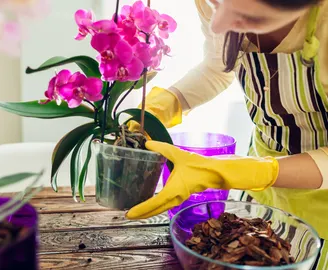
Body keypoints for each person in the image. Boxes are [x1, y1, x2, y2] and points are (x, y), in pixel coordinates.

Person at [126, 0, 328, 268]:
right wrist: (161, 107)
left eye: (239, 9)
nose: (218, 21)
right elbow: (217, 67)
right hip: (263, 196)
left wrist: (254, 172)